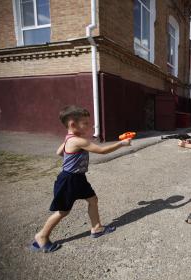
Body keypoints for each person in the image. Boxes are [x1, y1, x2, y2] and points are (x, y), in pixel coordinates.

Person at [31, 105, 131, 253]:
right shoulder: (78, 141)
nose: (89, 126)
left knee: (92, 199)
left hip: (78, 178)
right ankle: (41, 236)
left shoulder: (69, 139)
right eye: (85, 123)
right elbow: (102, 151)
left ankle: (97, 228)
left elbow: (59, 152)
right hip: (69, 180)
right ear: (72, 124)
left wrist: (71, 157)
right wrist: (121, 143)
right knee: (63, 212)